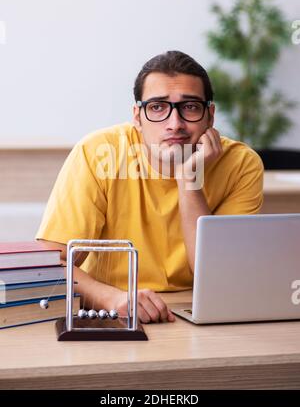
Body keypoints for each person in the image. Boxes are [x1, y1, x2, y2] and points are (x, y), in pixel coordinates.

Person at [36, 50, 264, 324]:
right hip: (111, 310)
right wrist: (111, 298)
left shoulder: (241, 164)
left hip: (196, 312)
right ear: (137, 116)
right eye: (158, 107)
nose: (174, 124)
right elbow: (48, 266)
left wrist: (188, 177)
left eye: (190, 107)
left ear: (210, 115)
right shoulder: (97, 152)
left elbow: (219, 277)